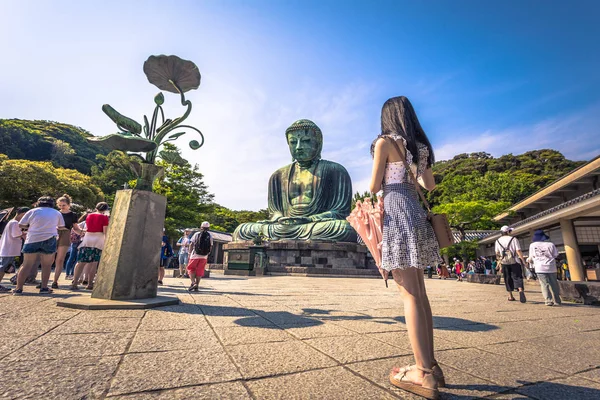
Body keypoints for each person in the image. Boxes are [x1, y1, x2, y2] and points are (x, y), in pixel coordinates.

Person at [369, 96, 443, 399]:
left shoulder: (384, 142)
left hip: (397, 209)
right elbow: (430, 185)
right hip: (415, 209)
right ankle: (432, 365)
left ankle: (422, 373)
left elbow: (374, 186)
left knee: (408, 293)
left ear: (388, 117)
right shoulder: (422, 147)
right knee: (420, 292)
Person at [13, 197, 64, 294]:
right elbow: (61, 226)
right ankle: (44, 287)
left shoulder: (32, 211)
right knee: (47, 265)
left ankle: (18, 288)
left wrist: (31, 226)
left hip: (32, 238)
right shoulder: (57, 213)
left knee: (26, 264)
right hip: (49, 238)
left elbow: (21, 225)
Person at [70, 203, 109, 291]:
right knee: (93, 263)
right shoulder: (104, 217)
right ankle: (90, 283)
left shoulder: (89, 215)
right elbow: (105, 231)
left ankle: (75, 282)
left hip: (87, 238)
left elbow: (87, 228)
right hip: (98, 239)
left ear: (96, 208)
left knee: (81, 261)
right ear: (105, 209)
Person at [51, 194, 79, 288]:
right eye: (60, 205)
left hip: (66, 234)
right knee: (49, 259)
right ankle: (45, 280)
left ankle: (55, 281)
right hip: (53, 234)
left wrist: (84, 232)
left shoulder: (73, 215)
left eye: (63, 205)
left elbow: (75, 228)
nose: (62, 207)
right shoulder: (55, 213)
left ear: (68, 205)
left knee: (60, 259)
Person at [529, 230, 561, 306]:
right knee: (554, 284)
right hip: (551, 267)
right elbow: (556, 255)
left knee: (544, 284)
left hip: (540, 267)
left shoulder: (532, 245)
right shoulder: (551, 244)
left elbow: (531, 257)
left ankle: (548, 300)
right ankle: (557, 300)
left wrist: (529, 262)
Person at [496, 225, 527, 303]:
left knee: (507, 278)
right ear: (508, 232)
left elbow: (497, 253)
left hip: (504, 262)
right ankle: (520, 290)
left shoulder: (498, 241)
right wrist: (523, 261)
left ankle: (510, 295)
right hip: (515, 260)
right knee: (518, 276)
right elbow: (518, 251)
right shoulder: (513, 239)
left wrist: (499, 264)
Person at [0, 207, 29, 292]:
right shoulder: (15, 223)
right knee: (3, 267)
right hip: (9, 249)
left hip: (8, 249)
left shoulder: (12, 222)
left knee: (6, 267)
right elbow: (16, 234)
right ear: (23, 214)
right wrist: (25, 234)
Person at [187, 222, 212, 291]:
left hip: (195, 255)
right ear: (208, 228)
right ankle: (197, 285)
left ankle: (193, 283)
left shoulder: (197, 234)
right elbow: (210, 246)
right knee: (200, 270)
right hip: (204, 256)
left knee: (191, 268)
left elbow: (191, 244)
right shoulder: (209, 235)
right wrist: (207, 254)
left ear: (201, 227)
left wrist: (189, 253)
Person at [64, 213, 87, 280]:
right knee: (77, 259)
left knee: (71, 258)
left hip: (74, 242)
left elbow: (73, 230)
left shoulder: (78, 223)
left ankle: (67, 274)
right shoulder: (84, 223)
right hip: (80, 242)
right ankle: (72, 274)